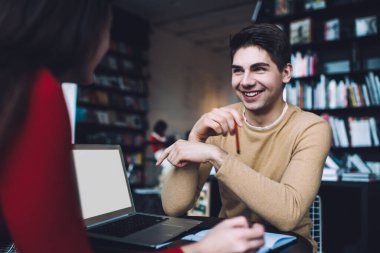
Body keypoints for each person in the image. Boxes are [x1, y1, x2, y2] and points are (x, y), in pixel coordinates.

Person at [0, 0, 265, 253]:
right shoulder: (38, 90)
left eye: (259, 69)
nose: (107, 44)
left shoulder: (16, 88)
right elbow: (174, 206)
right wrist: (203, 249)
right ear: (86, 27)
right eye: (109, 28)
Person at [157, 23, 332, 253]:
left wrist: (217, 156)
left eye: (259, 69)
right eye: (238, 70)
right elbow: (173, 207)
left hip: (289, 247)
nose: (246, 81)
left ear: (286, 73)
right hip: (229, 245)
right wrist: (195, 138)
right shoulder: (219, 122)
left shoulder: (312, 127)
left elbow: (288, 214)